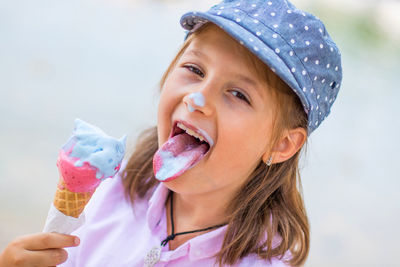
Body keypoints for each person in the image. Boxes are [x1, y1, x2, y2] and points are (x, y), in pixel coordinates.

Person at [0, 0, 342, 266]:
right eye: (194, 69)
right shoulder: (114, 190)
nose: (198, 98)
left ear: (282, 144)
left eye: (238, 94)